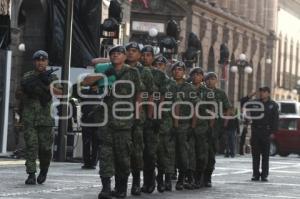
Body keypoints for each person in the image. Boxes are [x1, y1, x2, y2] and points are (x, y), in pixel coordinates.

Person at [83, 45, 142, 199]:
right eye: (113, 53)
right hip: (106, 120)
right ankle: (106, 188)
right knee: (105, 154)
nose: (115, 55)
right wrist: (103, 75)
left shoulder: (132, 72)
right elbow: (86, 82)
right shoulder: (103, 69)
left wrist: (137, 116)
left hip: (124, 121)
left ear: (124, 56)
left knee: (123, 156)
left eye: (119, 53)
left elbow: (138, 95)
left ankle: (121, 187)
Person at [20, 50, 62, 185]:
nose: (41, 62)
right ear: (34, 62)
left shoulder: (52, 77)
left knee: (45, 149)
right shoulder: (27, 76)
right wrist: (26, 90)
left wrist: (47, 84)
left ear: (47, 62)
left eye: (43, 60)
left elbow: (60, 93)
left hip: (45, 119)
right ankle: (31, 174)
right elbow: (17, 94)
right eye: (38, 60)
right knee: (31, 146)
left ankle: (44, 170)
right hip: (30, 118)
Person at [125, 42, 154, 196]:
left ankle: (137, 181)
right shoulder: (118, 68)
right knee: (121, 151)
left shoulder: (145, 72)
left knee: (137, 151)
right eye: (128, 50)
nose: (130, 53)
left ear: (139, 55)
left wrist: (150, 116)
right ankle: (120, 183)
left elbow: (149, 95)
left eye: (134, 51)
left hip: (138, 118)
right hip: (119, 116)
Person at [140, 45, 166, 194]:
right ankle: (142, 181)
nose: (145, 57)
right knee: (138, 153)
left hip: (152, 118)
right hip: (136, 117)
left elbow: (161, 98)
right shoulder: (134, 71)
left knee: (151, 152)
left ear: (152, 58)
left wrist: (157, 116)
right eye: (143, 55)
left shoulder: (159, 75)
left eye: (148, 55)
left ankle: (152, 180)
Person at [241, 87, 279, 182]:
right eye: (261, 92)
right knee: (255, 155)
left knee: (265, 155)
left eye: (264, 92)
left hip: (266, 132)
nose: (262, 93)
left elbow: (275, 120)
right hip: (256, 131)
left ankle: (264, 175)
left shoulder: (273, 105)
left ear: (268, 93)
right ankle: (255, 174)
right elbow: (242, 103)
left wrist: (273, 133)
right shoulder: (255, 103)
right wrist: (249, 96)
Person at [171, 61, 197, 191]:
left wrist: (192, 126)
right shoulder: (168, 85)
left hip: (184, 124)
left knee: (182, 153)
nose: (177, 72)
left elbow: (194, 107)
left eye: (180, 70)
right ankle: (166, 178)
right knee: (167, 152)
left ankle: (182, 178)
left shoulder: (190, 88)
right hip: (168, 123)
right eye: (175, 69)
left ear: (184, 72)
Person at [153, 55, 177, 192]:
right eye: (156, 64)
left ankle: (165, 177)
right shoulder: (148, 80)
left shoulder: (171, 84)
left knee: (166, 152)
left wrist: (175, 124)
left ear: (165, 66)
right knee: (152, 152)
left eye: (161, 65)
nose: (158, 67)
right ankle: (153, 178)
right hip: (150, 121)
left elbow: (176, 105)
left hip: (166, 121)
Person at [204, 72, 230, 187]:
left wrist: (224, 124)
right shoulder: (202, 92)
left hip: (215, 128)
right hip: (201, 125)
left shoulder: (221, 93)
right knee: (199, 152)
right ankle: (197, 176)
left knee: (210, 153)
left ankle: (208, 177)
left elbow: (228, 109)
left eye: (213, 79)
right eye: (208, 79)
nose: (210, 81)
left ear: (216, 80)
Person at [189, 67, 210, 188]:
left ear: (202, 77)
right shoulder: (186, 89)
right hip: (187, 125)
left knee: (201, 154)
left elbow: (211, 109)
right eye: (194, 74)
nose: (196, 76)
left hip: (202, 126)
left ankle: (199, 177)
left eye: (199, 74)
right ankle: (190, 178)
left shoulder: (207, 92)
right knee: (190, 153)